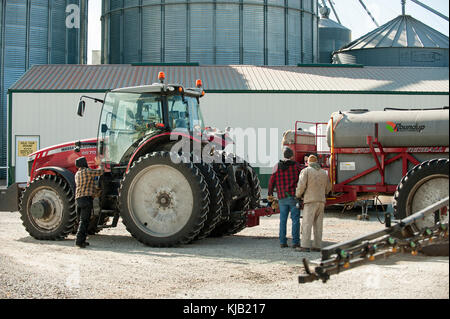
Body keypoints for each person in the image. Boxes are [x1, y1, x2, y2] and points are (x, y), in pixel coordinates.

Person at [268, 147, 303, 248]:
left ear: (283, 155)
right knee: (295, 220)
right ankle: (295, 242)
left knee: (283, 220)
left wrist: (270, 194)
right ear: (292, 156)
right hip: (293, 197)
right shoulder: (296, 166)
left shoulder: (276, 166)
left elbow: (271, 182)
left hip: (282, 197)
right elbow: (304, 176)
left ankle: (282, 242)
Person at [295, 155, 332, 252]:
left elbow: (301, 185)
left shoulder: (306, 171)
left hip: (310, 200)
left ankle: (305, 245)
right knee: (318, 224)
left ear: (308, 162)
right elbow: (328, 188)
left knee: (307, 223)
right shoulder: (324, 172)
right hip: (321, 201)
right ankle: (317, 245)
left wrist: (298, 195)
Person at [74, 156, 103, 248]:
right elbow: (100, 172)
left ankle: (82, 240)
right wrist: (99, 164)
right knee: (84, 221)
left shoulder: (77, 174)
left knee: (81, 221)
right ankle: (79, 241)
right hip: (86, 199)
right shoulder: (87, 171)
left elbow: (86, 185)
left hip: (78, 199)